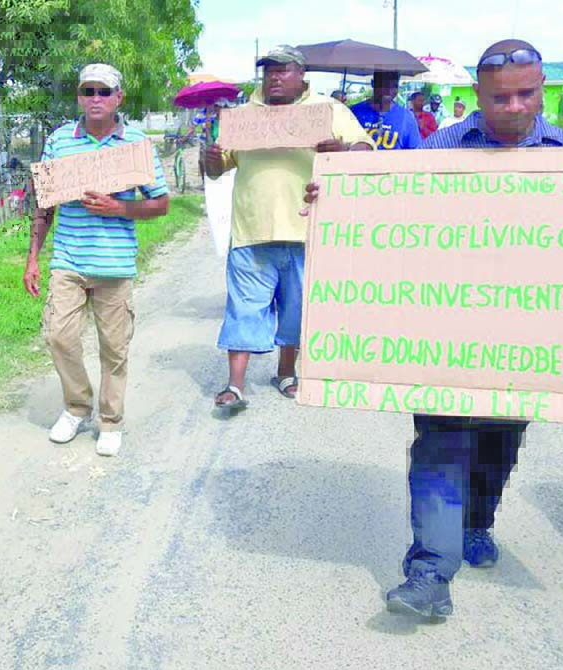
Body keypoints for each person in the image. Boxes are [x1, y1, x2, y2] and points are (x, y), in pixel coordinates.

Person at [304, 38, 563, 620]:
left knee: (496, 446)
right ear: (477, 96)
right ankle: (430, 573)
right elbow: (397, 216)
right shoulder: (443, 145)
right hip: (446, 334)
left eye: (526, 94)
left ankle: (478, 522)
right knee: (440, 444)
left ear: (539, 90)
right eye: (499, 97)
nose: (513, 107)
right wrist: (337, 199)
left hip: (526, 340)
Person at [203, 46, 373, 410]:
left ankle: (285, 372)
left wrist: (342, 150)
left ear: (302, 76)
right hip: (251, 232)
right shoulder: (243, 116)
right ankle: (235, 386)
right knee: (244, 308)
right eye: (269, 71)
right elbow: (218, 169)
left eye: (283, 71)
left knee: (296, 310)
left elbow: (366, 150)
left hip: (307, 230)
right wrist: (211, 159)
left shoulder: (329, 111)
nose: (275, 78)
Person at [23, 63, 170, 457]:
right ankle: (76, 406)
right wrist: (33, 258)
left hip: (114, 264)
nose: (95, 99)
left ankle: (110, 420)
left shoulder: (136, 144)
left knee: (115, 347)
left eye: (104, 92)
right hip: (69, 261)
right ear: (79, 97)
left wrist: (118, 209)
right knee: (59, 336)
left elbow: (161, 203)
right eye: (88, 91)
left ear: (119, 97)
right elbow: (44, 204)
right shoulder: (59, 141)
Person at [350, 71, 421, 150]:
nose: (389, 90)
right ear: (373, 83)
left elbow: (415, 152)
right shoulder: (353, 112)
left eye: (394, 86)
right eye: (385, 85)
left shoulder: (407, 117)